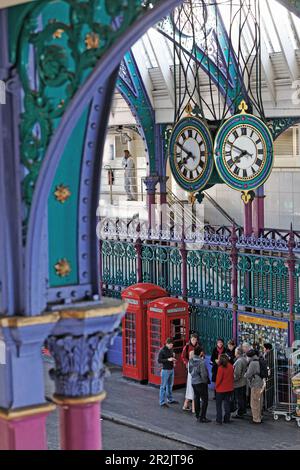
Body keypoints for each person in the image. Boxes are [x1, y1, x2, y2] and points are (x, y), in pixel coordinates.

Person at [189, 346, 211, 423]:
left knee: (196, 398)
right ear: (200, 352)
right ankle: (202, 417)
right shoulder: (201, 362)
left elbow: (190, 371)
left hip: (193, 382)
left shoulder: (191, 360)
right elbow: (204, 374)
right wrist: (205, 381)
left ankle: (197, 414)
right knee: (205, 400)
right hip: (201, 383)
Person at [244, 349, 265, 424]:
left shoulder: (253, 363)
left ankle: (256, 419)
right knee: (260, 401)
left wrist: (245, 374)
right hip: (261, 383)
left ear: (250, 356)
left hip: (255, 384)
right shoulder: (260, 360)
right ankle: (259, 416)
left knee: (254, 402)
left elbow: (248, 374)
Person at [158, 338, 179, 408]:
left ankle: (170, 399)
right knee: (163, 386)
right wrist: (168, 359)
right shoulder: (162, 351)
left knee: (170, 386)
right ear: (167, 344)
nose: (171, 346)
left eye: (172, 345)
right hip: (165, 370)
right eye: (170, 345)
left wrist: (173, 361)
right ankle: (162, 402)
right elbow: (159, 360)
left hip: (171, 369)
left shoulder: (171, 350)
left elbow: (171, 358)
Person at [181, 333, 200, 412]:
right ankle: (194, 408)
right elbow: (183, 356)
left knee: (190, 387)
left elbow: (202, 354)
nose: (194, 341)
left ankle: (186, 405)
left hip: (196, 365)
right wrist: (186, 363)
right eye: (192, 339)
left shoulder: (198, 346)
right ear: (190, 339)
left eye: (195, 340)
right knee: (193, 386)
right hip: (191, 365)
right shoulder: (187, 346)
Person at [215, 354, 234, 425]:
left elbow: (218, 380)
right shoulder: (231, 366)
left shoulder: (220, 368)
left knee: (218, 405)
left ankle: (219, 420)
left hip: (220, 389)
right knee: (227, 404)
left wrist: (216, 387)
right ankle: (227, 419)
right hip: (229, 388)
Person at [233, 346, 248, 418]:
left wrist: (232, 380)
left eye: (235, 352)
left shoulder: (239, 361)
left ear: (237, 353)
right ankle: (243, 410)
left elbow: (237, 374)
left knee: (239, 398)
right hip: (243, 382)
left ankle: (240, 412)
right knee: (242, 398)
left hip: (238, 383)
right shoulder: (244, 359)